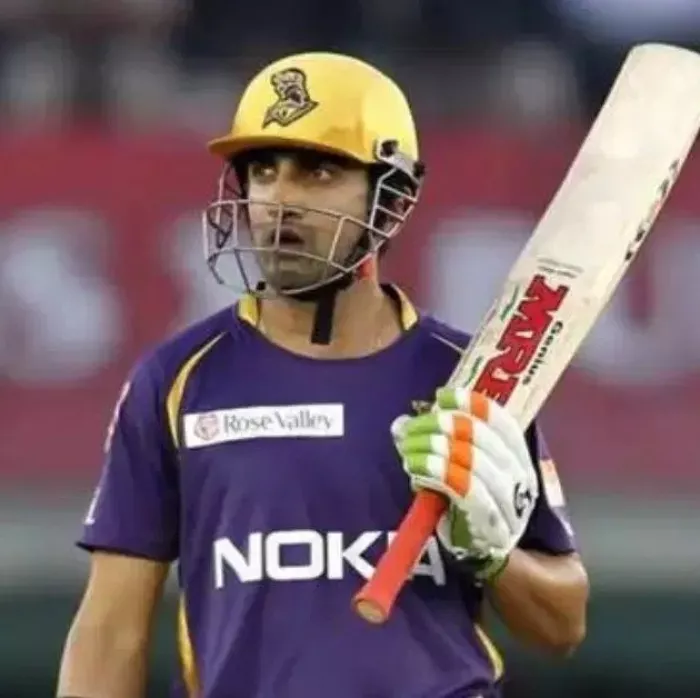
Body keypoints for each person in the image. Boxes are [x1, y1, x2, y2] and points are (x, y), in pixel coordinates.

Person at [56, 52, 589, 698]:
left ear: (392, 198)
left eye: (318, 171)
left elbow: (562, 624)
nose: (280, 199)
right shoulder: (176, 381)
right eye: (264, 170)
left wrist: (492, 554)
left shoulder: (471, 381)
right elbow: (110, 633)